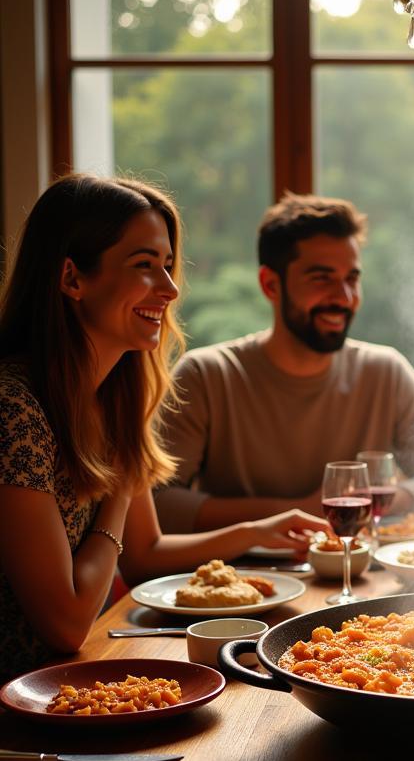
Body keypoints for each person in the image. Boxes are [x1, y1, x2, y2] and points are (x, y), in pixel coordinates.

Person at [0, 174, 330, 681]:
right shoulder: (15, 411)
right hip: (20, 711)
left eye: (169, 266)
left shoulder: (105, 399)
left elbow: (147, 554)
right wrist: (119, 463)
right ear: (72, 278)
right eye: (145, 266)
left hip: (70, 679)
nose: (171, 289)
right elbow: (64, 623)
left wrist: (255, 532)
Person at [154, 193, 414, 534]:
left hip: (358, 576)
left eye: (352, 279)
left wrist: (387, 498)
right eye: (322, 279)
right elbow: (157, 502)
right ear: (270, 285)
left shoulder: (385, 372)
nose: (344, 298)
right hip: (241, 580)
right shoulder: (206, 376)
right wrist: (296, 512)